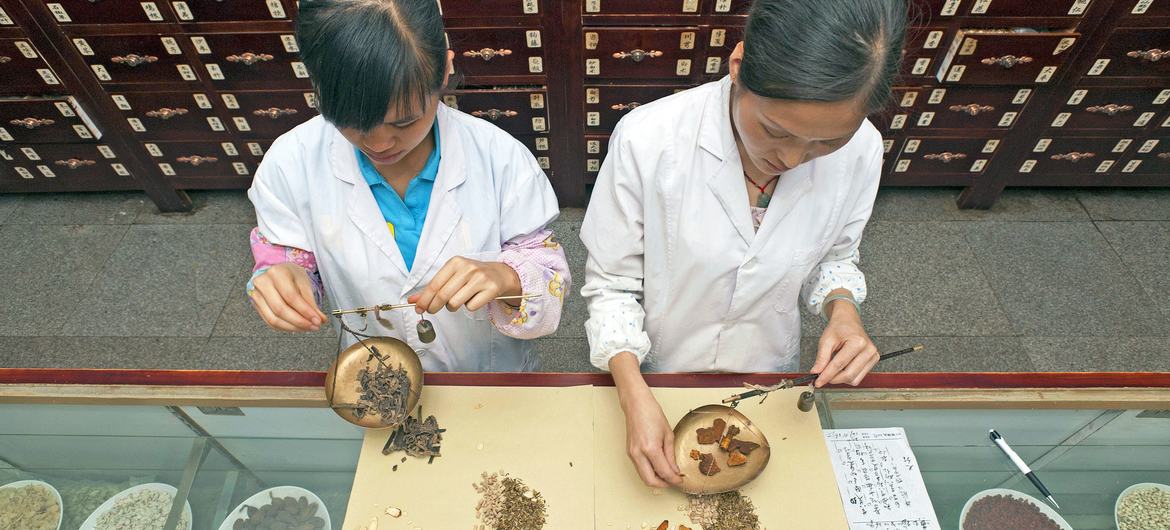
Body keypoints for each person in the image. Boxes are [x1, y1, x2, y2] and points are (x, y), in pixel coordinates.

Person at [580, 0, 907, 487]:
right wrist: (633, 393)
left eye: (826, 143)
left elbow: (836, 255)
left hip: (769, 367)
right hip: (659, 364)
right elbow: (611, 284)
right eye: (776, 130)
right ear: (738, 66)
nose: (794, 158)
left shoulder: (860, 151)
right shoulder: (649, 140)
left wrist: (843, 310)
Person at [245, 0, 569, 371]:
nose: (379, 144)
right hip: (377, 373)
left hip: (489, 374)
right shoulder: (289, 164)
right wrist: (284, 277)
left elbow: (550, 280)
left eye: (404, 122)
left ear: (445, 69)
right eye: (352, 122)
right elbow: (290, 257)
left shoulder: (502, 160)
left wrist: (508, 277)